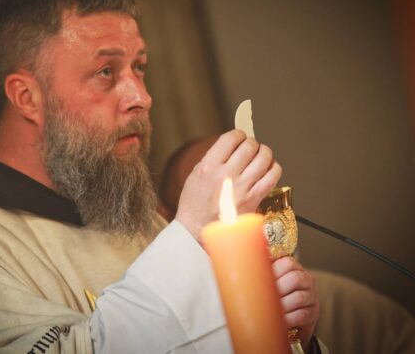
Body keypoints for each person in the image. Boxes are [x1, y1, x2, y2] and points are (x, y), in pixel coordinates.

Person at [0, 0, 324, 353]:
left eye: (139, 67)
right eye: (106, 71)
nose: (141, 97)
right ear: (27, 97)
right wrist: (190, 233)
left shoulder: (130, 215)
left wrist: (279, 334)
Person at [159, 135, 415, 353]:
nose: (249, 217)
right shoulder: (161, 327)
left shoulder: (342, 306)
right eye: (216, 206)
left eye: (254, 198)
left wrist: (303, 344)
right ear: (167, 219)